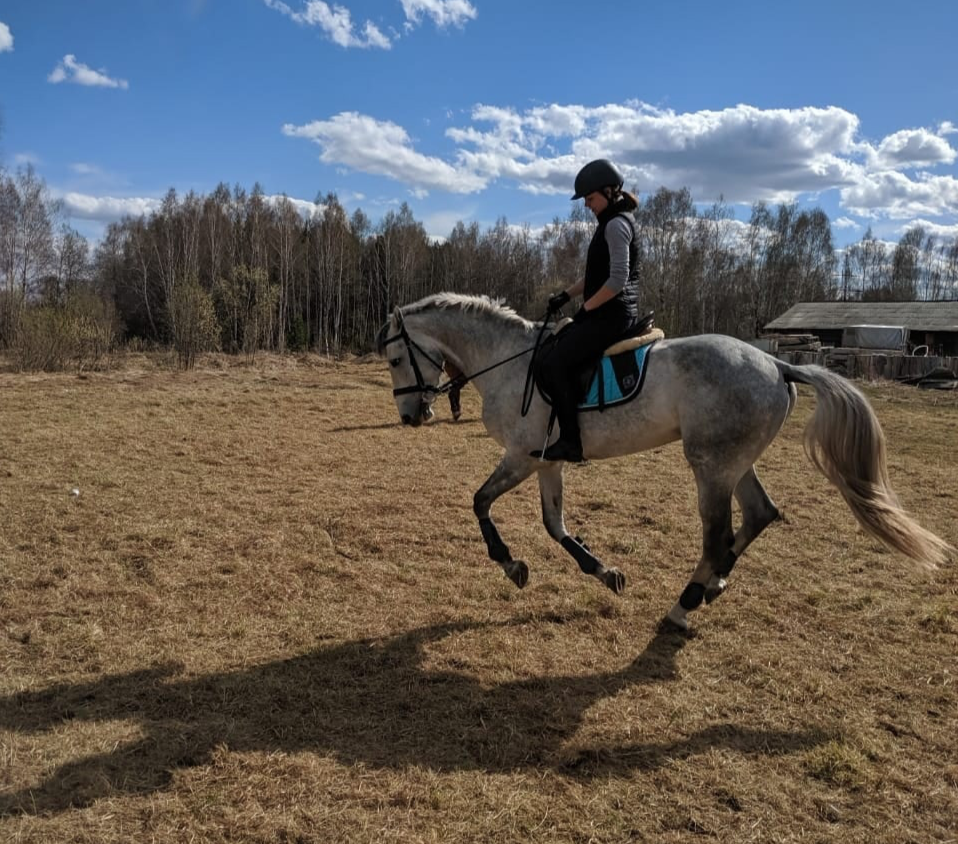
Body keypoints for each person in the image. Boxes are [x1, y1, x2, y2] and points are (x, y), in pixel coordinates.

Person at [532, 159, 640, 462]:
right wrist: (566, 295)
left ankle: (571, 442)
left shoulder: (617, 225)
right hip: (607, 312)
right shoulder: (610, 223)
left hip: (612, 315)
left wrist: (585, 310)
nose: (587, 206)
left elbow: (618, 279)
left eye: (590, 199)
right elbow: (595, 276)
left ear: (609, 192)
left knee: (554, 364)